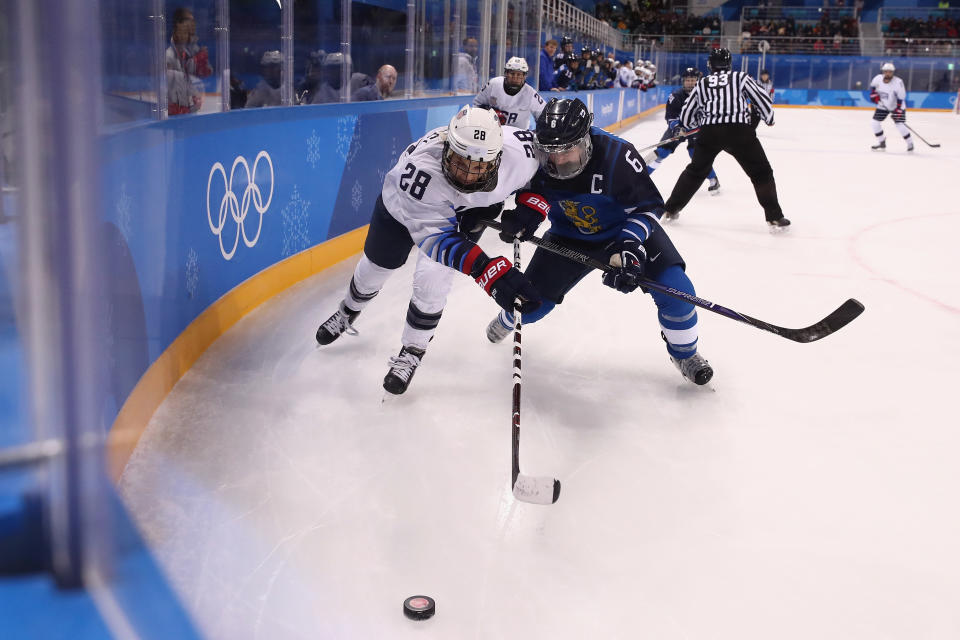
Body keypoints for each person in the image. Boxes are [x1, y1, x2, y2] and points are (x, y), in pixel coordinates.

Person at [314, 106, 549, 395]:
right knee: (376, 268)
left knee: (432, 279)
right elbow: (437, 241)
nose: (467, 175)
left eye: (479, 166)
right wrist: (488, 272)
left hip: (465, 213)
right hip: (402, 209)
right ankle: (349, 309)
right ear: (447, 148)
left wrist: (532, 207)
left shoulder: (521, 153)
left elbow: (550, 169)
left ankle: (414, 349)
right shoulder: (421, 170)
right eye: (460, 162)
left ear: (498, 158)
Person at [484, 98, 714, 386]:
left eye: (567, 151)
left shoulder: (619, 156)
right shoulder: (534, 154)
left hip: (623, 233)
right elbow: (534, 190)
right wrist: (526, 214)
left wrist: (630, 245)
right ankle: (508, 319)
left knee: (679, 293)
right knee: (530, 306)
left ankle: (684, 353)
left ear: (586, 140)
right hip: (568, 237)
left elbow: (649, 207)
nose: (557, 161)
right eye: (550, 153)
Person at [662, 48, 790, 232]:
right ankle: (774, 216)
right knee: (761, 173)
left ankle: (670, 210)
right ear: (729, 65)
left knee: (695, 172)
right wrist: (769, 119)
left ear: (710, 66)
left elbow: (688, 114)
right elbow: (761, 99)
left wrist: (688, 126)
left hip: (710, 132)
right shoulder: (741, 77)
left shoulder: (702, 83)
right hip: (740, 131)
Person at [645, 67, 720, 195]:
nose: (690, 82)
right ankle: (643, 177)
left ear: (698, 80)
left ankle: (713, 179)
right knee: (662, 152)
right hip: (678, 129)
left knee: (696, 155)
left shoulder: (706, 96)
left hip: (696, 130)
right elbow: (670, 116)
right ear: (683, 81)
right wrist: (676, 127)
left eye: (693, 80)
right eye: (687, 80)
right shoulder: (675, 96)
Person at [473, 57, 545, 129]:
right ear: (506, 73)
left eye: (519, 74)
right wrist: (487, 113)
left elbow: (544, 116)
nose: (515, 78)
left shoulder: (530, 94)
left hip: (518, 137)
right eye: (512, 73)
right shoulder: (493, 84)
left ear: (524, 76)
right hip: (492, 132)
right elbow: (477, 104)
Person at [165, 7, 212, 115]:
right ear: (177, 26)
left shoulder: (191, 49)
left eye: (193, 20)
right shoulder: (169, 54)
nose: (192, 23)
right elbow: (174, 81)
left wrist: (201, 62)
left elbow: (203, 74)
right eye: (189, 20)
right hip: (177, 108)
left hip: (188, 108)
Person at [869, 62, 913, 152]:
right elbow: (873, 87)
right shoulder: (877, 78)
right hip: (883, 105)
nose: (888, 73)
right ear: (883, 72)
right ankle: (882, 142)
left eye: (890, 72)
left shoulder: (898, 82)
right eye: (886, 71)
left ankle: (910, 143)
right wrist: (873, 95)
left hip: (897, 106)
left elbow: (901, 98)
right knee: (874, 123)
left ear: (893, 72)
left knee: (900, 125)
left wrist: (898, 110)